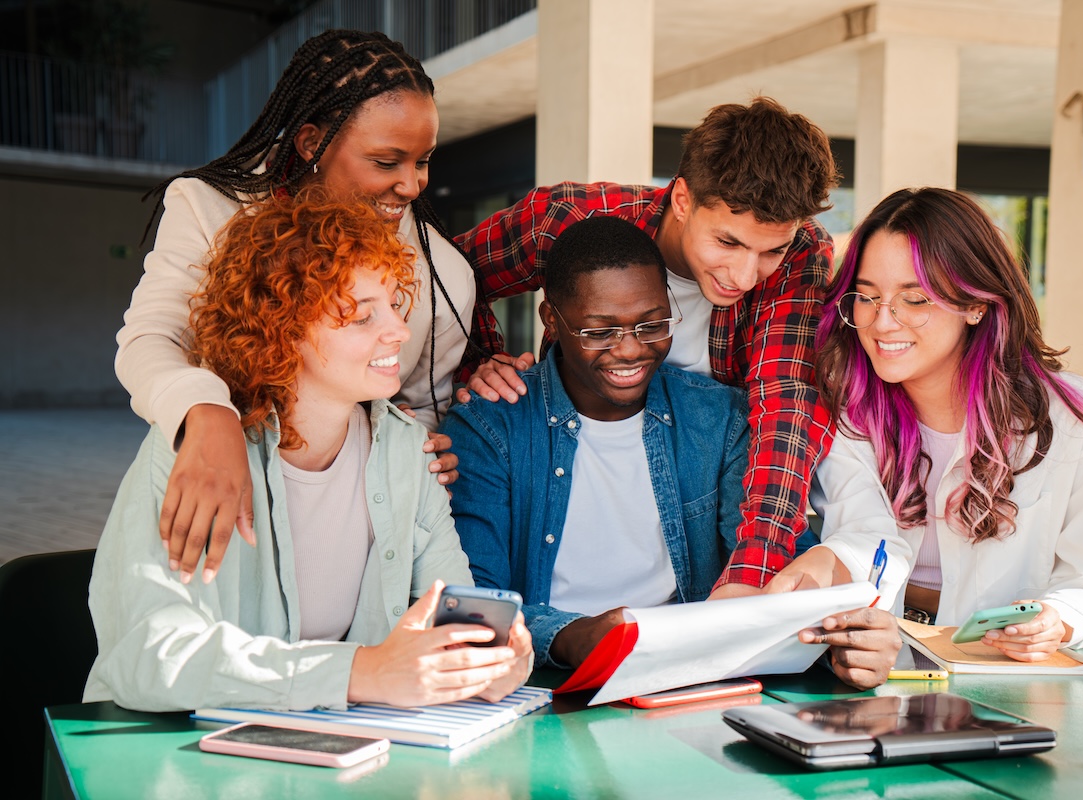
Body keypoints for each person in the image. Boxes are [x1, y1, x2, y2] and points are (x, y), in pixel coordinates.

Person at [85, 194, 532, 712]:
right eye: (363, 317)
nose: (400, 331)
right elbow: (150, 657)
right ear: (281, 331)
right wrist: (362, 673)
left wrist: (491, 660)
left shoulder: (408, 449)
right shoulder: (191, 454)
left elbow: (457, 617)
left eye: (394, 304)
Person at [442, 217, 898, 690]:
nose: (631, 350)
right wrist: (570, 637)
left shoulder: (718, 420)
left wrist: (845, 638)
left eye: (652, 324)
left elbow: (784, 580)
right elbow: (476, 605)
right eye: (600, 332)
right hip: (542, 691)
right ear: (552, 321)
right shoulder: (488, 428)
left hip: (694, 688)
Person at [115, 29, 476, 584]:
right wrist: (208, 416)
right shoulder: (213, 209)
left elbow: (420, 410)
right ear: (311, 141)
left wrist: (425, 458)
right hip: (223, 496)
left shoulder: (443, 271)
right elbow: (151, 340)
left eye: (423, 160)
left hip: (349, 520)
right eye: (386, 161)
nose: (411, 184)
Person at [454, 98, 840, 599]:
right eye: (727, 243)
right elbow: (441, 281)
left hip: (702, 494)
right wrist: (479, 361)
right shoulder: (568, 219)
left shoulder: (803, 251)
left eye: (771, 250)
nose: (745, 276)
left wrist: (754, 569)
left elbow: (785, 401)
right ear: (682, 199)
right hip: (568, 462)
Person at [766, 188, 1083, 660]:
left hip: (1002, 673)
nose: (883, 323)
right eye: (867, 297)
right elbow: (862, 533)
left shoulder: (1067, 414)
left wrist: (1057, 619)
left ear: (976, 304)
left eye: (915, 299)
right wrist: (819, 569)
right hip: (883, 661)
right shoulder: (847, 404)